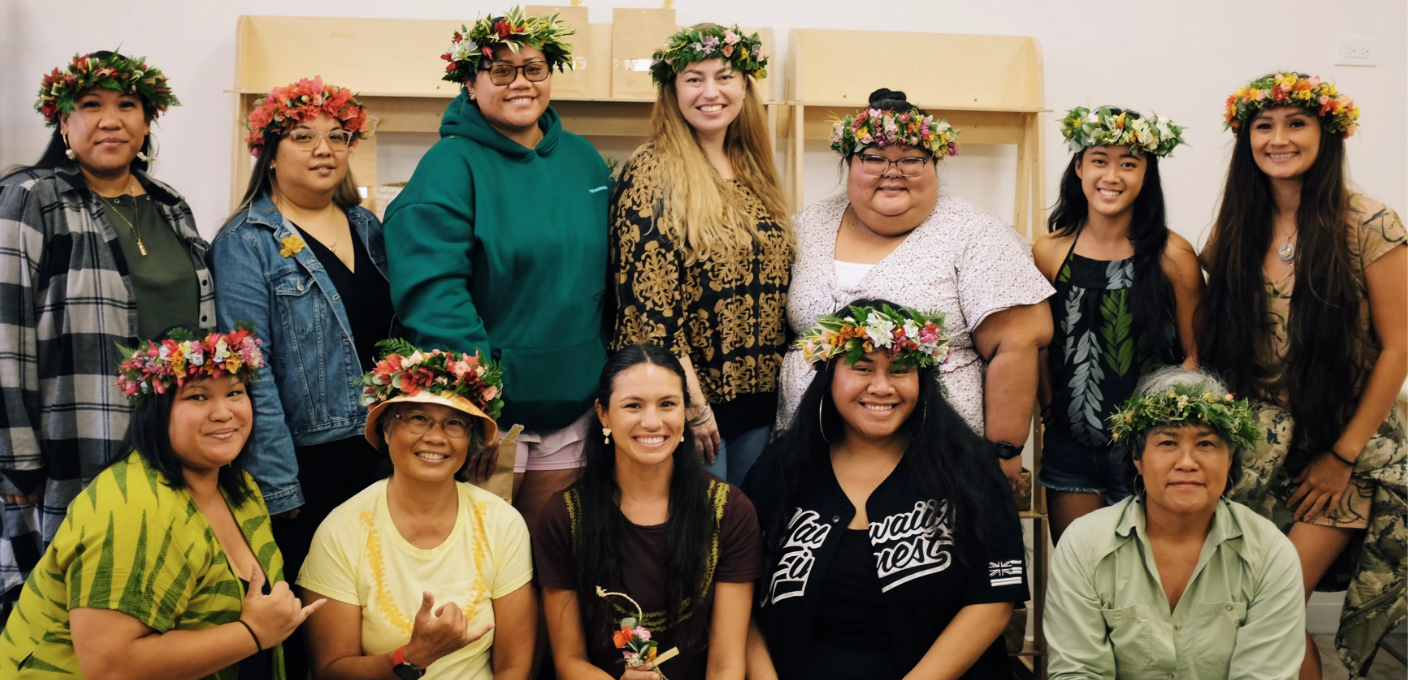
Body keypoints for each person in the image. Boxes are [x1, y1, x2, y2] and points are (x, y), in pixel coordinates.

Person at [1199, 73, 1406, 679]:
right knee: (1248, 609)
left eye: (1296, 123)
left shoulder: (1372, 225)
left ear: (1327, 133)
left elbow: (1397, 350)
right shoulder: (1235, 227)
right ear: (1246, 138)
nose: (1278, 138)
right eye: (1264, 126)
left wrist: (1341, 457)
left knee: (1277, 604)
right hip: (1258, 445)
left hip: (1346, 445)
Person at [0, 51, 214, 612]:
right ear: (64, 123)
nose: (111, 119)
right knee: (76, 609)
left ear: (147, 122)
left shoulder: (172, 207)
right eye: (90, 105)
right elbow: (5, 330)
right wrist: (14, 455)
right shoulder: (31, 197)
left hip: (173, 448)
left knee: (156, 603)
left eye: (127, 105)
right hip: (76, 442)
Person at [383, 7, 606, 533]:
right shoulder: (448, 166)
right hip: (496, 425)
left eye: (534, 68)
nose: (520, 83)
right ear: (469, 81)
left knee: (556, 567)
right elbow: (436, 298)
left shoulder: (584, 160)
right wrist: (478, 408)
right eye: (500, 70)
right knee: (488, 571)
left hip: (576, 410)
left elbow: (607, 282)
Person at [0, 325, 322, 679]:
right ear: (155, 410)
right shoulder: (130, 509)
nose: (224, 412)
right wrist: (252, 634)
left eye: (235, 392)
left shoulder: (238, 486)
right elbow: (110, 667)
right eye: (198, 397)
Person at [778, 89, 1053, 490]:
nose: (892, 171)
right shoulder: (805, 227)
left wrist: (1004, 451)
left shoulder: (978, 235)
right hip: (810, 457)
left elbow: (1017, 345)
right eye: (873, 157)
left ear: (935, 163)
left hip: (935, 464)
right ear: (849, 162)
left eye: (911, 158)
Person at [745, 301, 1027, 680]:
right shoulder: (780, 468)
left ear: (921, 380)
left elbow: (994, 600)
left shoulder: (969, 470)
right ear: (828, 375)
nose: (881, 387)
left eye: (900, 370)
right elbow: (738, 598)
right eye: (862, 369)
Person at [208, 76, 381, 680]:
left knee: (369, 606)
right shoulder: (244, 242)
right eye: (302, 136)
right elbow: (250, 372)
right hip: (307, 460)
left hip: (378, 448)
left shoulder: (367, 227)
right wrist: (281, 489)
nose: (323, 149)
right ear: (269, 151)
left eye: (337, 136)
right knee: (314, 620)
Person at [609, 24, 791, 486]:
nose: (711, 92)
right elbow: (649, 309)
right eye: (694, 78)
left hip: (760, 403)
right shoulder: (653, 170)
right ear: (673, 91)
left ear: (745, 86)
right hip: (695, 409)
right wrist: (692, 405)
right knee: (698, 540)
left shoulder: (754, 167)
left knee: (745, 535)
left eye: (725, 76)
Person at [1046, 367, 1306, 679]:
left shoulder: (1269, 554)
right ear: (1137, 459)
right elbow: (1077, 671)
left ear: (1230, 459)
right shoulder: (1084, 545)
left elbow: (1265, 674)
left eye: (1206, 444)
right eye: (1168, 443)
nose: (1186, 462)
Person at [297, 340, 536, 680]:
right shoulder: (342, 531)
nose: (437, 437)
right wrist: (412, 657)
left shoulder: (502, 523)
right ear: (387, 430)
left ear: (471, 441)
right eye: (419, 419)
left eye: (454, 424)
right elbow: (331, 670)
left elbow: (514, 665)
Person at [534, 344, 760, 680]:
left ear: (686, 410)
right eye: (633, 406)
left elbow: (727, 664)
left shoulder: (730, 510)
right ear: (603, 413)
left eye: (668, 404)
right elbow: (569, 660)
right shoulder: (564, 516)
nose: (652, 422)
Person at [1032, 106, 1203, 543]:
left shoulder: (1172, 256)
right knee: (1078, 574)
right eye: (1100, 160)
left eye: (1129, 163)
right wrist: (1051, 411)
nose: (1113, 175)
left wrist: (1166, 435)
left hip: (1148, 450)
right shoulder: (1049, 252)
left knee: (1142, 580)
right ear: (1079, 166)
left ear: (1147, 174)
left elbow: (1195, 356)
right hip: (1070, 448)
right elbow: (1040, 346)